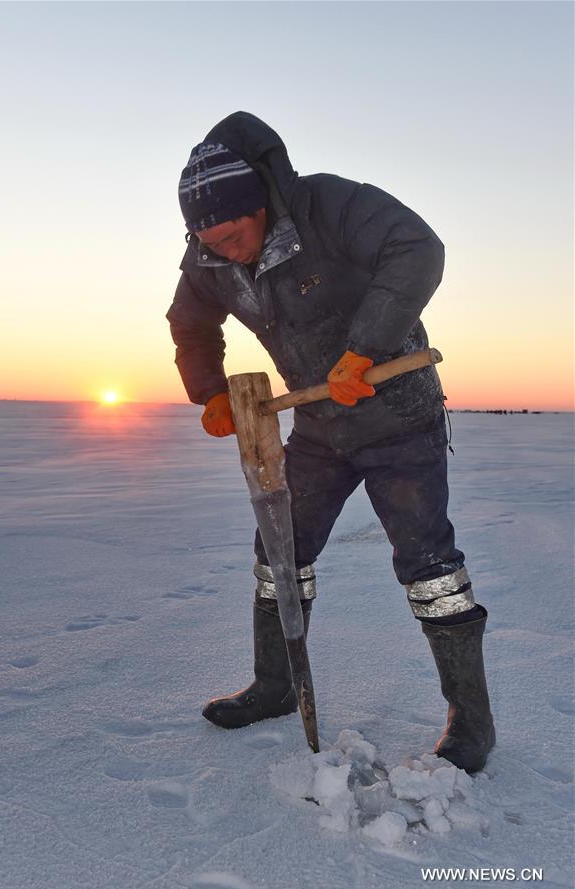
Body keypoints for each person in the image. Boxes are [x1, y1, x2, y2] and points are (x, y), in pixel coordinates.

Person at [167, 112, 495, 774]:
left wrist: (364, 347)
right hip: (320, 425)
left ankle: (472, 720)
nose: (227, 250)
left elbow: (417, 248)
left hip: (399, 411)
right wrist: (211, 392)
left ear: (258, 202)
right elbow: (189, 321)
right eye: (210, 239)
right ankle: (277, 685)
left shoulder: (326, 205)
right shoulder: (208, 254)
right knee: (278, 549)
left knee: (430, 565)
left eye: (234, 234)